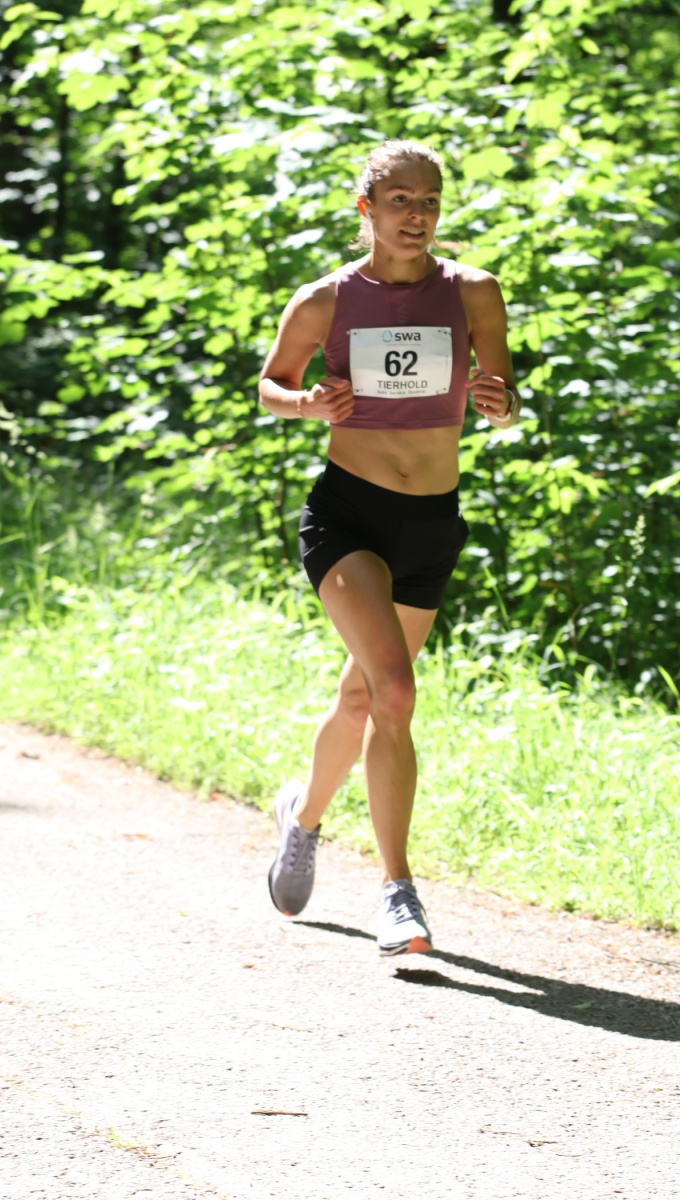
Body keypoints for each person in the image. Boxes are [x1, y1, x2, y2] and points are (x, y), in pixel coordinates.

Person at [258, 139, 520, 957]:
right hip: (349, 518)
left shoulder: (473, 291)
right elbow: (270, 387)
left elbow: (505, 398)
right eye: (400, 200)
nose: (417, 215)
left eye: (430, 201)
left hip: (432, 522)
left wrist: (498, 404)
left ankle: (302, 819)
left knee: (362, 698)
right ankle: (397, 894)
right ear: (365, 208)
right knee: (396, 692)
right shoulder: (325, 300)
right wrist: (308, 405)